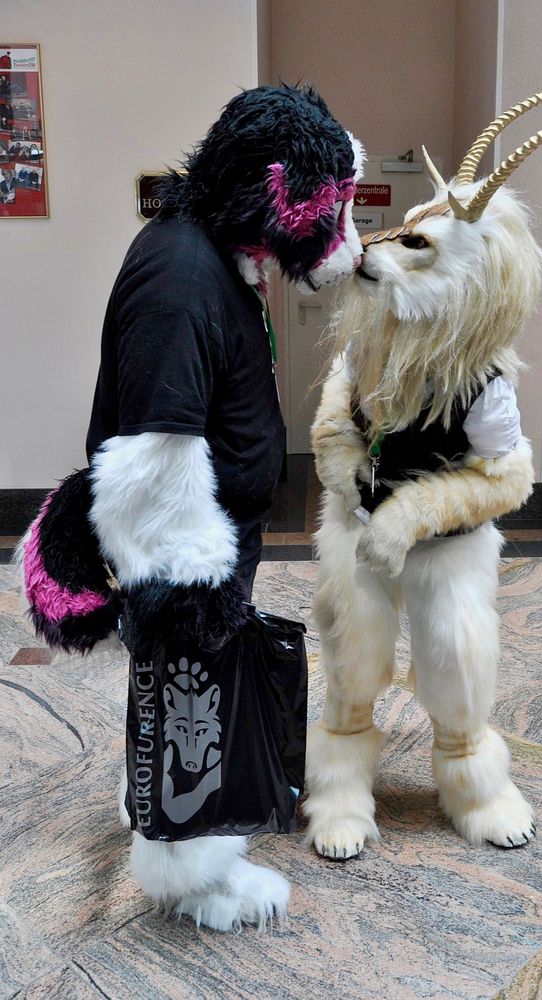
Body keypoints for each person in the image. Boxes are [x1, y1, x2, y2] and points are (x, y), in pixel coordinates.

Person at [85, 83, 364, 932]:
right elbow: (155, 456)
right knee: (189, 695)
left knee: (181, 698)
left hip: (213, 534)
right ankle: (191, 877)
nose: (340, 234)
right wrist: (193, 600)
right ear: (275, 189)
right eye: (331, 206)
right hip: (187, 551)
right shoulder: (181, 275)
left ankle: (175, 821)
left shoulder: (208, 252)